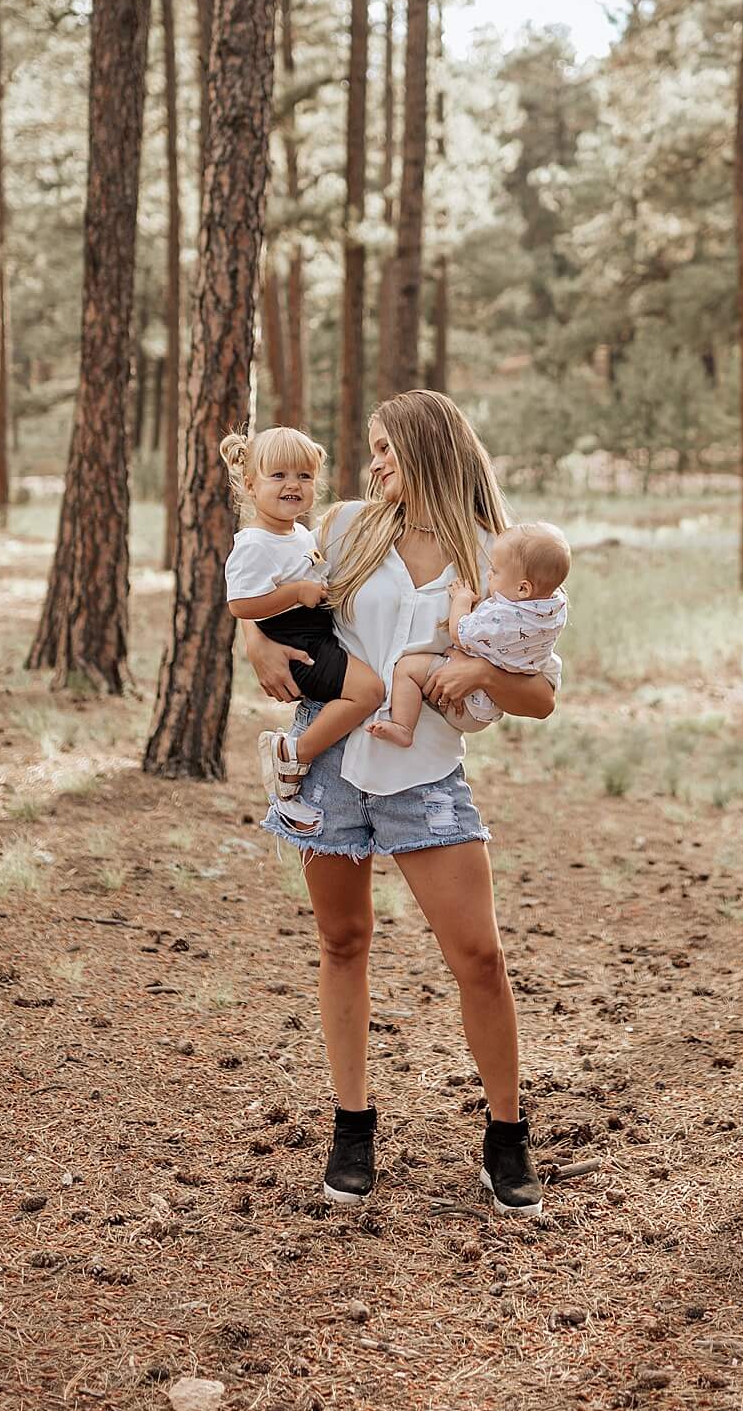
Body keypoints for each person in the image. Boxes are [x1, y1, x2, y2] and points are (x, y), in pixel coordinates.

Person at [239, 390, 558, 1217]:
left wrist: (482, 673)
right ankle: (352, 1127)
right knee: (343, 941)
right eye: (371, 448)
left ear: (427, 450)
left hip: (426, 774)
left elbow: (543, 695)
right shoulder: (344, 527)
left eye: (386, 449)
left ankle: (505, 1136)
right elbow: (261, 573)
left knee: (479, 961)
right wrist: (254, 636)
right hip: (329, 765)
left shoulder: (499, 553)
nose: (373, 463)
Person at [221, 427, 386, 839]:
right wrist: (295, 592)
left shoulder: (298, 534)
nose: (293, 484)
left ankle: (292, 785)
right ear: (250, 484)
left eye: (304, 476)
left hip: (317, 634)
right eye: (278, 476)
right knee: (368, 692)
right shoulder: (254, 543)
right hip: (299, 642)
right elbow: (240, 604)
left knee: (364, 689)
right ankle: (292, 753)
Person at [370, 520, 570, 751]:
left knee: (406, 669)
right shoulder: (550, 610)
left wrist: (461, 599)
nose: (488, 574)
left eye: (494, 572)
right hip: (487, 708)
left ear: (523, 589)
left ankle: (403, 727)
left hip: (468, 703)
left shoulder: (500, 618)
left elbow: (459, 632)